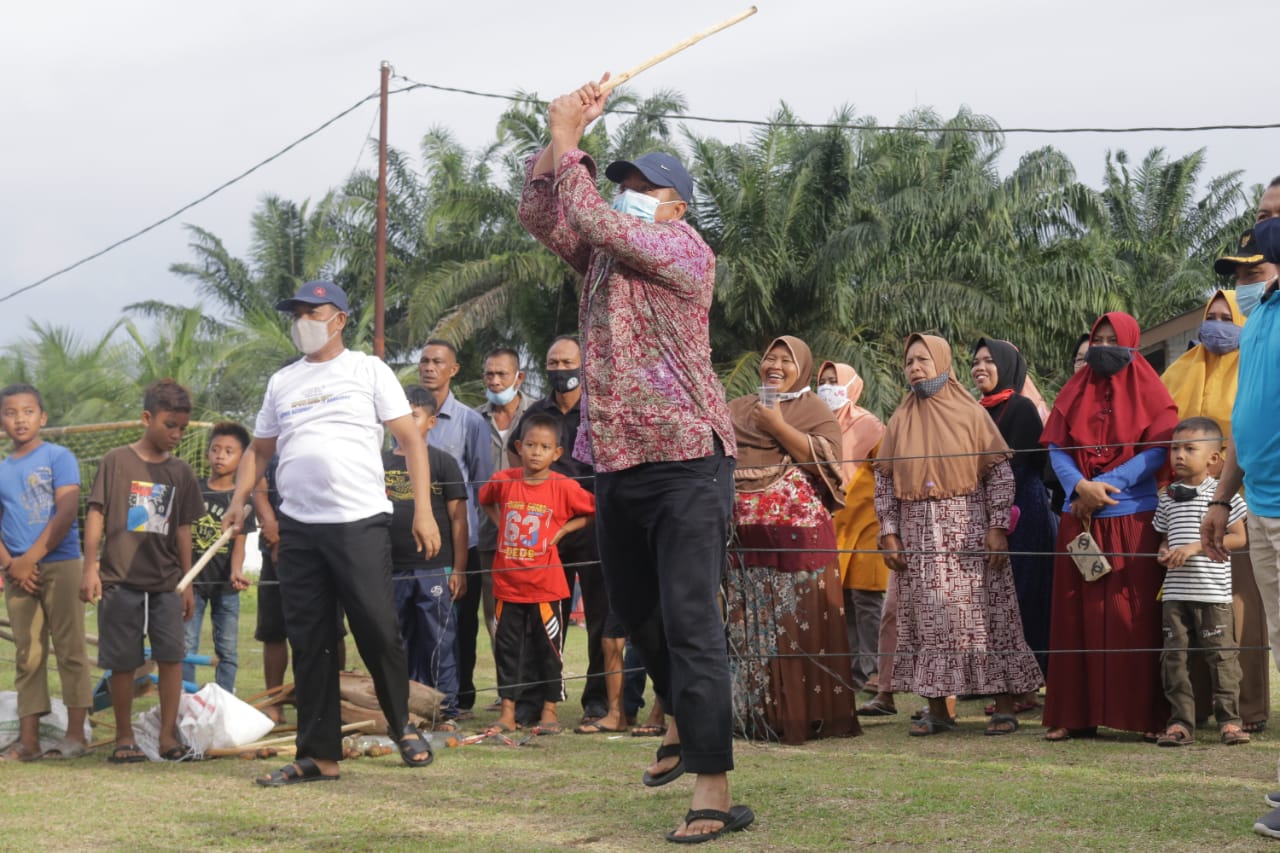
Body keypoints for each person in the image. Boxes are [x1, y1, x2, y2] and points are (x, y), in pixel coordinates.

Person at [518, 76, 753, 843]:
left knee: (691, 620)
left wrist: (569, 136)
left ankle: (712, 788)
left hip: (688, 458)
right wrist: (552, 144)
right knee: (633, 616)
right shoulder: (602, 261)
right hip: (617, 462)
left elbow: (585, 209)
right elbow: (544, 213)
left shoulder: (683, 250)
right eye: (621, 183)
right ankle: (683, 718)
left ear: (676, 206)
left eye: (642, 187)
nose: (626, 194)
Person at [225, 280, 440, 786]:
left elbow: (410, 442)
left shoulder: (367, 369)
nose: (303, 321)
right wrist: (238, 500)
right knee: (311, 639)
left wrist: (424, 512)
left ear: (339, 318)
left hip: (359, 522)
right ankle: (317, 755)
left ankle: (401, 724)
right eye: (296, 313)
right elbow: (259, 450)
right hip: (299, 529)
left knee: (376, 627)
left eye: (312, 311)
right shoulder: (283, 382)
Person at [874, 335, 1042, 737]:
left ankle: (1003, 707)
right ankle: (937, 710)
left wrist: (998, 527)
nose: (914, 367)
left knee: (987, 617)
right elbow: (884, 482)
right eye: (908, 360)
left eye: (923, 359)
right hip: (918, 536)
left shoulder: (971, 415)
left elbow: (999, 475)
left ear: (943, 363)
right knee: (927, 619)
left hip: (969, 532)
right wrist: (889, 533)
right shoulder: (899, 421)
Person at [1041, 311, 1179, 742]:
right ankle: (1073, 715)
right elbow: (1056, 446)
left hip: (1131, 516)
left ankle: (1142, 716)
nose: (1103, 347)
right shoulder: (1073, 389)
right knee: (1073, 617)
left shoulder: (1153, 391)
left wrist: (1105, 484)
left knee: (1131, 618)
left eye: (1112, 339)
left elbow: (1158, 451)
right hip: (1078, 516)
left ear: (1133, 343)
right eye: (1097, 340)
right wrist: (1080, 485)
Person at [725, 337, 860, 744]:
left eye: (786, 360)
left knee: (793, 623)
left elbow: (831, 466)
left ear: (801, 368)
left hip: (798, 542)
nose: (776, 365)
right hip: (742, 540)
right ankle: (751, 716)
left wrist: (779, 426)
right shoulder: (736, 408)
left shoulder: (812, 408)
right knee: (749, 626)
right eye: (770, 357)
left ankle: (801, 716)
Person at [81, 378, 204, 763]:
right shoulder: (116, 461)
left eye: (183, 427)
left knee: (171, 657)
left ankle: (168, 736)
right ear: (146, 418)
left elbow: (183, 528)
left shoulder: (181, 472)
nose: (176, 434)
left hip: (167, 583)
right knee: (123, 661)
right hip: (119, 580)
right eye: (170, 425)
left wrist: (187, 583)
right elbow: (96, 513)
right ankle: (124, 737)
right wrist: (90, 567)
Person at [1162, 289, 1269, 734]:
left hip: (1251, 496)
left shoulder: (1259, 362)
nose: (1219, 324)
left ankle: (1245, 711)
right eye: (1213, 316)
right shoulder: (1178, 371)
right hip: (1189, 502)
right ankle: (1196, 709)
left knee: (1240, 608)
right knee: (1190, 617)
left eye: (1229, 317)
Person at [507, 335, 622, 732]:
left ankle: (595, 701)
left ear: (584, 364)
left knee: (597, 618)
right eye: (553, 363)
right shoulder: (536, 412)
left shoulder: (600, 412)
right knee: (538, 618)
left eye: (567, 362)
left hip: (593, 529)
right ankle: (531, 700)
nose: (560, 369)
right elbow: (515, 453)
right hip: (544, 533)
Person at [478, 413, 595, 736]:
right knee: (507, 650)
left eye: (544, 447)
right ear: (519, 446)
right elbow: (484, 498)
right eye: (530, 445)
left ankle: (549, 711)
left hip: (546, 588)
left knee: (549, 651)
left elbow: (593, 510)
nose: (535, 452)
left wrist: (562, 532)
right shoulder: (504, 480)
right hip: (507, 585)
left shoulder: (563, 487)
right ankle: (507, 712)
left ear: (557, 453)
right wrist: (500, 523)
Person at [0, 383, 92, 761]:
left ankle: (74, 736)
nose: (19, 419)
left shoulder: (59, 456)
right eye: (10, 412)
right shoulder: (2, 468)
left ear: (43, 417)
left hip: (61, 563)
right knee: (29, 654)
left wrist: (30, 559)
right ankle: (29, 741)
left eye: (27, 411)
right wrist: (11, 564)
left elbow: (66, 512)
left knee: (70, 649)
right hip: (16, 573)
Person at [971, 338, 1057, 710]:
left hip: (1023, 511)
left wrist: (998, 515)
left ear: (1007, 365)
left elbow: (1017, 470)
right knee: (998, 601)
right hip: (992, 513)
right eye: (975, 363)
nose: (980, 368)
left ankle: (1026, 687)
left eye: (990, 361)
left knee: (1023, 598)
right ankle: (1007, 682)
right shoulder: (977, 411)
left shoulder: (1020, 408)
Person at [1153, 417, 1248, 746]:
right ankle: (1181, 723)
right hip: (1175, 596)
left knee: (1222, 658)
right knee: (1175, 658)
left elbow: (1239, 537)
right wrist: (1165, 551)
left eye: (1189, 448)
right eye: (1175, 448)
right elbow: (1165, 538)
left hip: (1213, 595)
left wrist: (1195, 547)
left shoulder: (1224, 495)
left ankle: (1230, 722)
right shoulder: (1167, 497)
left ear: (1214, 459)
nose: (1179, 455)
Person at [385, 386, 468, 728]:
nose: (405, 422)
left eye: (414, 416)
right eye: (400, 415)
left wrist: (459, 569)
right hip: (390, 569)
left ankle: (444, 710)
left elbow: (458, 519)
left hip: (434, 567)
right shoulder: (378, 461)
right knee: (396, 640)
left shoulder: (443, 462)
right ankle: (403, 711)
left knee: (438, 639)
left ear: (431, 422)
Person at [418, 338, 492, 718]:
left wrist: (466, 550)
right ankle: (419, 694)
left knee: (460, 624)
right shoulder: (400, 418)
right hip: (413, 543)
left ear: (453, 370)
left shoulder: (471, 422)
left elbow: (481, 485)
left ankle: (460, 698)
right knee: (419, 620)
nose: (429, 367)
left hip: (461, 542)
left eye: (437, 362)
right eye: (424, 361)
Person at [817, 360, 886, 693]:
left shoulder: (869, 426)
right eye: (824, 381)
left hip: (867, 524)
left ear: (852, 386)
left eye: (836, 381)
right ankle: (851, 675)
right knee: (841, 601)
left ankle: (874, 672)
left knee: (867, 599)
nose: (829, 387)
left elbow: (887, 473)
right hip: (833, 525)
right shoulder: (815, 425)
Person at [183, 421, 253, 693]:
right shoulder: (194, 490)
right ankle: (186, 697)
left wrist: (236, 570)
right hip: (193, 584)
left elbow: (240, 544)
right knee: (186, 646)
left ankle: (225, 699)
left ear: (242, 458)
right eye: (215, 449)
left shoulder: (241, 499)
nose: (220, 455)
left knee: (227, 649)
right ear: (207, 454)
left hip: (226, 587)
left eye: (229, 451)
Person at [475, 347, 535, 645]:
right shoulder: (474, 420)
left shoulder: (538, 415)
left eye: (502, 374)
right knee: (495, 616)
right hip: (489, 534)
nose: (495, 381)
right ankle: (507, 690)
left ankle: (539, 690)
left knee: (537, 615)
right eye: (489, 374)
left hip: (534, 536)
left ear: (518, 377)